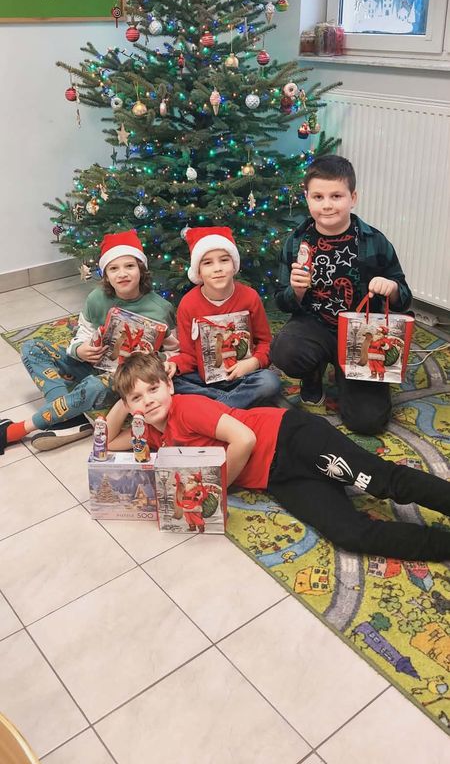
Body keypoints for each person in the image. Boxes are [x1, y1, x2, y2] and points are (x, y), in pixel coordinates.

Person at [107, 353, 450, 561]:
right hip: (278, 477)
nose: (148, 400)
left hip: (292, 438)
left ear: (169, 385)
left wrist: (218, 486)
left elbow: (244, 439)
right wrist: (125, 403)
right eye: (137, 397)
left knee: (382, 481)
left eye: (153, 389)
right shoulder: (151, 431)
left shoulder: (188, 408)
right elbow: (108, 441)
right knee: (349, 534)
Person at [0, 230, 178, 454]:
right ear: (106, 274)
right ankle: (69, 417)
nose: (122, 274)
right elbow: (83, 332)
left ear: (141, 270)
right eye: (114, 268)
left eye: (129, 266)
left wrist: (166, 360)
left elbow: (174, 349)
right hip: (93, 363)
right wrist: (79, 350)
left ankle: (17, 430)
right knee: (32, 347)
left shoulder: (161, 308)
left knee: (94, 386)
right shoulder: (97, 298)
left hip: (124, 377)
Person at [270, 155, 412, 434]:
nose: (327, 205)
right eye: (318, 196)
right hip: (314, 325)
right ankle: (313, 372)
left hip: (363, 333)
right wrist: (295, 291)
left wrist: (392, 288)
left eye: (336, 196)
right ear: (307, 198)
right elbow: (280, 301)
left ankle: (346, 373)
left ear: (353, 197)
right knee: (285, 351)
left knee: (367, 422)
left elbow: (404, 296)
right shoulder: (296, 242)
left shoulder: (375, 241)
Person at [169, 226, 281, 407]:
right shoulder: (188, 304)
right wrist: (174, 365)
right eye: (208, 263)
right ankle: (233, 403)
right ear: (198, 271)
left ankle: (213, 407)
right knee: (169, 382)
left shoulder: (250, 297)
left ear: (234, 264)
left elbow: (266, 343)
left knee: (269, 382)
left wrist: (253, 363)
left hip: (242, 375)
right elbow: (188, 355)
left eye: (224, 260)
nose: (218, 269)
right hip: (202, 378)